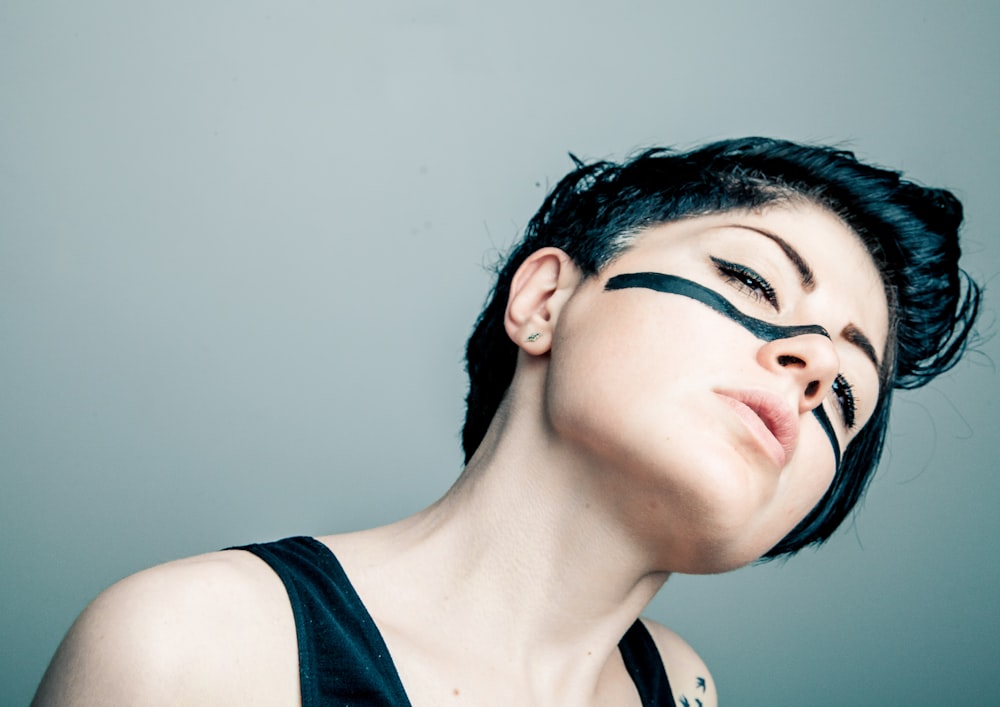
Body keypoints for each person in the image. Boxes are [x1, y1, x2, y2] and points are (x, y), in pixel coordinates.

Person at [32, 137, 980, 706]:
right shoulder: (196, 644)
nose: (813, 365)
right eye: (750, 278)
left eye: (850, 396)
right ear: (544, 300)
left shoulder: (683, 687)